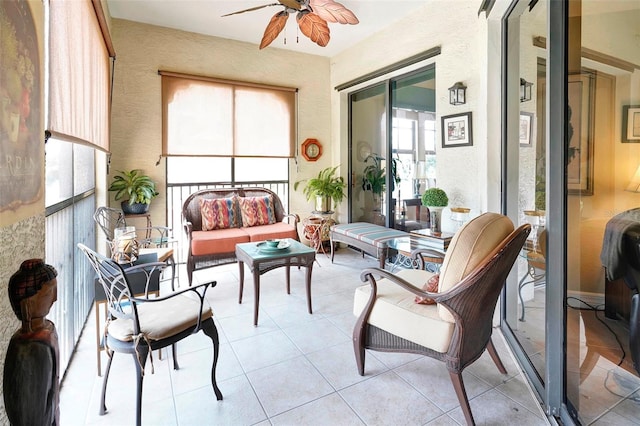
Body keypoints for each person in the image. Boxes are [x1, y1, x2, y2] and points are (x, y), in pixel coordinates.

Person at [3, 259, 59, 426]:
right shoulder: (31, 348)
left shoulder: (47, 331)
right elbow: (31, 412)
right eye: (50, 292)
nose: (55, 298)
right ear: (28, 304)